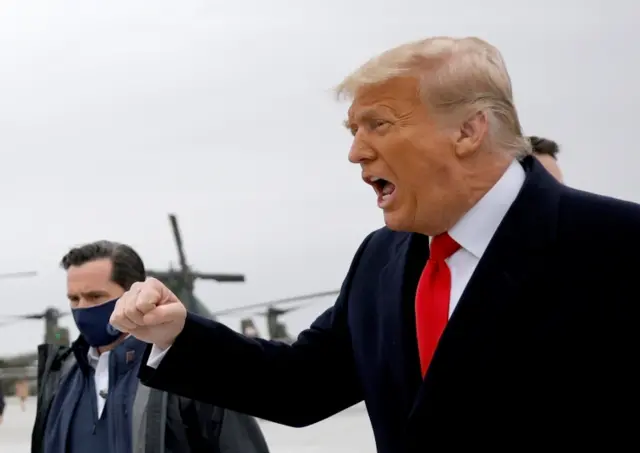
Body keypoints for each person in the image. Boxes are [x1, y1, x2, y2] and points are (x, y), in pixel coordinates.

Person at [110, 36, 640, 451]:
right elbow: (301, 385)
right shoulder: (380, 256)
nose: (356, 153)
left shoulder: (618, 246)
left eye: (378, 125)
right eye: (352, 130)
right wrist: (177, 334)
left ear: (468, 130)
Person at [32, 241, 270, 453]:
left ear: (134, 293)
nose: (82, 309)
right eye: (74, 299)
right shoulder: (60, 376)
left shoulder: (192, 371)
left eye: (95, 297)